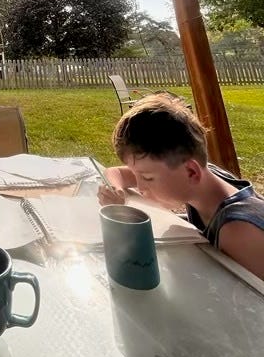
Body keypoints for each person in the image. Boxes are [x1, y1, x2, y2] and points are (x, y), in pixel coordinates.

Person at [97, 93, 264, 280]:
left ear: (191, 172)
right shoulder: (205, 178)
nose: (140, 187)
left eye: (147, 178)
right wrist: (117, 191)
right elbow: (116, 173)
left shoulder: (238, 232)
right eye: (138, 175)